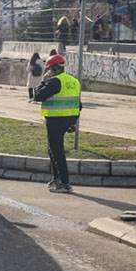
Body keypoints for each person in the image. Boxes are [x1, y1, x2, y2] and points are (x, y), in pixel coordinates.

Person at [32, 54, 81, 193]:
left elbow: (37, 96)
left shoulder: (54, 82)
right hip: (68, 120)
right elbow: (79, 104)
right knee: (53, 149)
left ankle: (64, 183)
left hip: (55, 120)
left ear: (52, 69)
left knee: (56, 151)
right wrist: (73, 122)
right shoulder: (74, 81)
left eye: (49, 70)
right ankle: (56, 178)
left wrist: (43, 80)